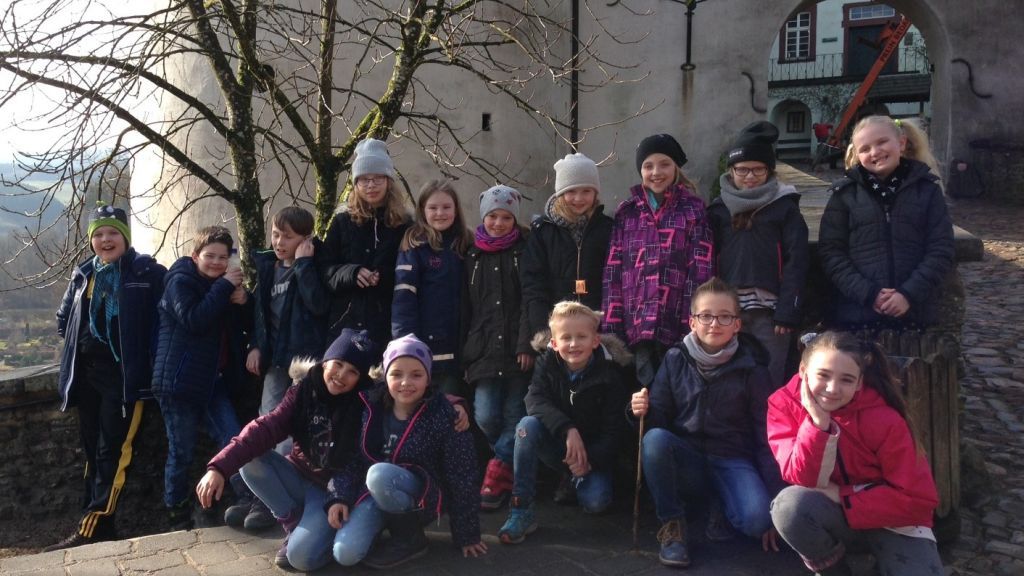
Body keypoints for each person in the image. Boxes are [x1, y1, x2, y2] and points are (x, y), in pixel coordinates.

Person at [629, 278, 785, 568]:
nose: (714, 323)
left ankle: (720, 504)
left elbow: (767, 435)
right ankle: (673, 525)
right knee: (655, 440)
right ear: (692, 322)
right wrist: (641, 411)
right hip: (689, 458)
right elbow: (658, 417)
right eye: (706, 316)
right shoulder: (675, 359)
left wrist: (778, 503)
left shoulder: (753, 369)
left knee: (757, 521)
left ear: (737, 324)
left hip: (733, 459)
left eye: (724, 316)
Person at [196, 329, 378, 570]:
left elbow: (356, 460)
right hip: (297, 477)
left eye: (353, 371)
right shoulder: (303, 390)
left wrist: (338, 497)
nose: (342, 375)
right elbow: (265, 427)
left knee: (300, 558)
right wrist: (218, 468)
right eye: (338, 364)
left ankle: (324, 534)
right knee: (249, 458)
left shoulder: (364, 406)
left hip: (330, 492)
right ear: (326, 362)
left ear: (360, 378)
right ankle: (292, 523)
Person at [767, 331, 943, 576]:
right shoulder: (783, 405)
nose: (832, 389)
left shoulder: (884, 418)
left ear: (860, 382)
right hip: (836, 518)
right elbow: (804, 478)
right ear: (803, 371)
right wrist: (818, 424)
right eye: (823, 375)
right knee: (789, 506)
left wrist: (843, 495)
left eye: (847, 380)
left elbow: (919, 500)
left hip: (895, 524)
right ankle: (835, 571)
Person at [46, 203, 167, 551]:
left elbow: (165, 321)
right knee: (92, 450)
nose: (105, 239)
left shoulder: (146, 273)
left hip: (125, 380)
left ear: (125, 237)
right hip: (86, 377)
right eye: (98, 234)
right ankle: (96, 521)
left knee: (112, 452)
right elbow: (64, 320)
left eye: (113, 232)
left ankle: (94, 526)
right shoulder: (84, 274)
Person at [327, 334, 486, 568]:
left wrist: (467, 534)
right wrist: (339, 495)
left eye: (416, 375)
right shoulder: (370, 407)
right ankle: (380, 527)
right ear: (385, 376)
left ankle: (410, 538)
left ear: (428, 378)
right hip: (372, 493)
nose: (405, 382)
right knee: (345, 554)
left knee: (379, 474)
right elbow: (352, 458)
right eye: (396, 374)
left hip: (419, 497)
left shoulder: (445, 415)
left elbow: (462, 475)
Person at [498, 301, 630, 545]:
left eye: (581, 337)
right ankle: (521, 508)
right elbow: (534, 400)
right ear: (554, 343)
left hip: (592, 455)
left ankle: (576, 480)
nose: (573, 344)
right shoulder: (546, 363)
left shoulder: (610, 374)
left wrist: (589, 461)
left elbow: (615, 431)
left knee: (596, 502)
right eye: (566, 337)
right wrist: (568, 429)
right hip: (559, 446)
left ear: (595, 340)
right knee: (526, 426)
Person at [152, 225, 255, 530]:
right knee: (181, 452)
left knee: (233, 439)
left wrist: (244, 302)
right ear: (195, 256)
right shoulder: (179, 281)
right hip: (178, 383)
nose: (216, 263)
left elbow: (241, 328)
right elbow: (194, 319)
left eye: (223, 257)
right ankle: (177, 514)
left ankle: (251, 499)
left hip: (213, 381)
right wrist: (224, 288)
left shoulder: (222, 288)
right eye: (210, 256)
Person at [818, 115, 954, 331]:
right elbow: (831, 252)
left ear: (901, 143)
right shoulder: (845, 195)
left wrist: (908, 294)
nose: (875, 152)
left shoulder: (927, 191)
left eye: (882, 142)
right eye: (865, 149)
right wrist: (869, 294)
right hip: (858, 314)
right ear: (857, 155)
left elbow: (941, 248)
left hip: (916, 313)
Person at [602, 133, 714, 388]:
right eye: (648, 166)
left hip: (675, 319)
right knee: (637, 392)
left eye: (664, 164)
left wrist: (694, 319)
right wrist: (611, 325)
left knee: (673, 389)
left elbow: (701, 271)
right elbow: (613, 271)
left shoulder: (693, 210)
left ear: (676, 168)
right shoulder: (627, 212)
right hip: (635, 321)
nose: (656, 172)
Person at [708, 121, 809, 385]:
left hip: (771, 314)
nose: (750, 176)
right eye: (742, 169)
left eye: (758, 169)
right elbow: (708, 260)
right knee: (729, 378)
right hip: (728, 311)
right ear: (731, 171)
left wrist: (788, 310)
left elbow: (797, 261)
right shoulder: (718, 210)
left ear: (769, 170)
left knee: (770, 378)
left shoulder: (785, 208)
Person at [461, 185, 532, 510]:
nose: (498, 223)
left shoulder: (524, 251)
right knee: (486, 415)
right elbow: (465, 307)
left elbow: (530, 300)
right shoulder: (471, 255)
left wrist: (526, 344)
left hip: (518, 350)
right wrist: (467, 351)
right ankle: (507, 462)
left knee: (515, 414)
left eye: (506, 217)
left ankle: (498, 470)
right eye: (493, 216)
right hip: (483, 351)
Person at [321, 137, 411, 350]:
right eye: (364, 179)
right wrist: (352, 273)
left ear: (388, 181)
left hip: (387, 326)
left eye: (378, 178)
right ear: (355, 184)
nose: (371, 185)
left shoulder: (405, 224)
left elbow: (411, 271)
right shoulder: (342, 221)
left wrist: (382, 276)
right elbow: (324, 270)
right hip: (344, 326)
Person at [520, 152, 613, 346]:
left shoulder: (608, 228)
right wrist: (542, 330)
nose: (579, 198)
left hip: (598, 330)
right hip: (557, 333)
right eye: (571, 191)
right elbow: (534, 284)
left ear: (595, 193)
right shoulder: (543, 231)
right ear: (560, 193)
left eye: (586, 191)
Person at [392, 179, 473, 395]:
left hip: (462, 348)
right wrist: (405, 343)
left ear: (456, 209)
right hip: (425, 348)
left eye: (446, 207)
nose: (440, 213)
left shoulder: (468, 243)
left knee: (456, 407)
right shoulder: (414, 245)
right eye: (433, 208)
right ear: (422, 210)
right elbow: (403, 300)